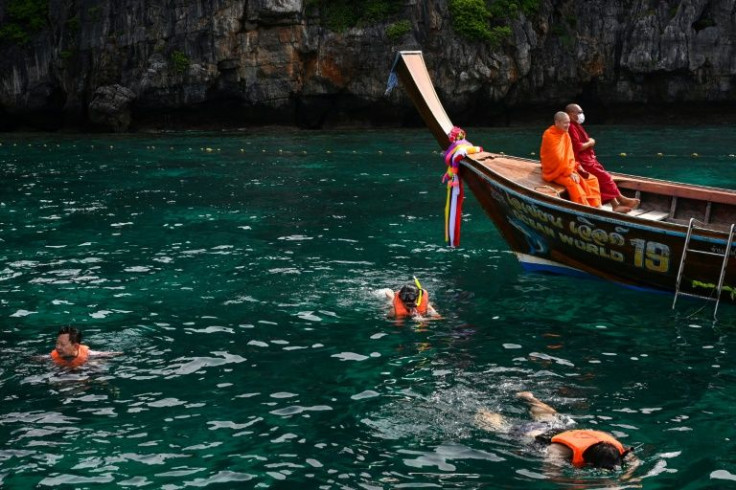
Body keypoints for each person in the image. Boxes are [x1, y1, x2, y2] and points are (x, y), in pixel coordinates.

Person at [476, 391, 639, 472]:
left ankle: (531, 399)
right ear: (590, 462)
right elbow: (550, 471)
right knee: (501, 428)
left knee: (549, 416)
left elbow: (633, 461)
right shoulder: (561, 450)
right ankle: (483, 411)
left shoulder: (615, 449)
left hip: (561, 428)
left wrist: (629, 477)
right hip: (537, 435)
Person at [565, 103, 640, 213]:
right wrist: (591, 142)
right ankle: (621, 200)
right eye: (579, 112)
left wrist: (589, 145)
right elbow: (578, 147)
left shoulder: (576, 125)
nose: (582, 115)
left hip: (588, 158)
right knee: (605, 177)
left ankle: (616, 204)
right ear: (571, 114)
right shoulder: (571, 127)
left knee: (604, 177)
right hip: (581, 161)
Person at [540, 112, 602, 208]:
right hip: (555, 171)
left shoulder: (565, 134)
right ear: (557, 122)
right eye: (565, 123)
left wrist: (576, 166)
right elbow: (557, 158)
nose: (568, 125)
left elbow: (569, 156)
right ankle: (584, 209)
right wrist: (569, 172)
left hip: (567, 169)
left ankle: (596, 205)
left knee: (592, 179)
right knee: (573, 183)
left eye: (569, 122)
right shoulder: (549, 135)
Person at [50, 326, 121, 368]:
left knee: (94, 364)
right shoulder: (52, 357)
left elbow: (111, 354)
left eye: (62, 345)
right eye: (57, 343)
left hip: (83, 371)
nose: (58, 347)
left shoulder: (90, 355)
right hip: (64, 373)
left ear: (76, 346)